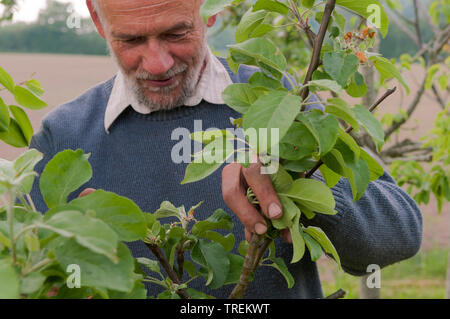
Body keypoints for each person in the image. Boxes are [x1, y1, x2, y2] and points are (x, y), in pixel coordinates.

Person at [28, 0, 422, 299]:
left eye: (176, 33)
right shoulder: (64, 138)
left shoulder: (279, 101)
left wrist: (298, 178)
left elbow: (401, 233)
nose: (158, 62)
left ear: (211, 11)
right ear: (98, 21)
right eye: (130, 39)